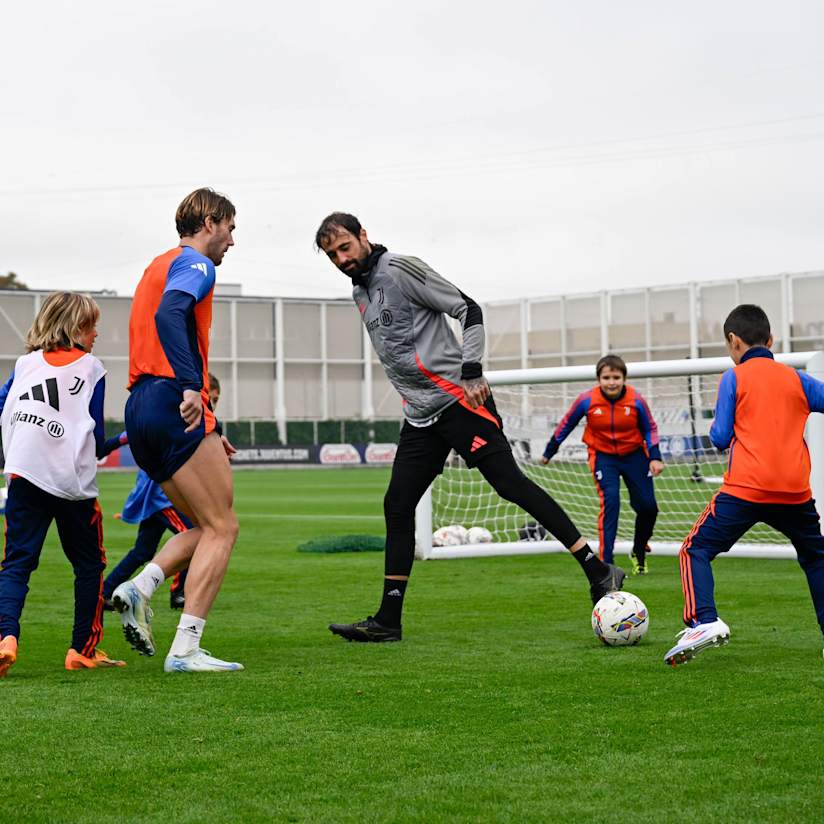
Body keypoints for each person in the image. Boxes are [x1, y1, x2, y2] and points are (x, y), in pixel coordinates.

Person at [316, 212, 625, 643]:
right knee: (398, 505)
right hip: (420, 416)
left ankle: (597, 568)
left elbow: (468, 308)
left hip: (461, 402)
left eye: (344, 247)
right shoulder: (360, 292)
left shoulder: (402, 270)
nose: (341, 258)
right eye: (332, 255)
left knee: (510, 485)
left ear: (363, 236)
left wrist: (472, 368)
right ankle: (388, 620)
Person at [111, 188, 242, 673]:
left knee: (205, 526)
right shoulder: (197, 265)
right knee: (224, 526)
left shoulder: (157, 263)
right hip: (173, 398)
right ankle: (186, 649)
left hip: (142, 405)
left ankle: (139, 586)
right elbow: (171, 314)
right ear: (209, 222)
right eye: (230, 228)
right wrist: (193, 388)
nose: (231, 240)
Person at [664, 304, 824, 666]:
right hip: (795, 493)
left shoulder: (733, 378)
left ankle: (704, 621)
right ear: (771, 340)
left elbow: (720, 437)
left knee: (694, 550)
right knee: (816, 558)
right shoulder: (796, 378)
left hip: (746, 490)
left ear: (734, 342)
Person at [0, 292, 125, 676]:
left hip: (23, 473)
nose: (96, 333)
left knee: (17, 564)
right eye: (90, 325)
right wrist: (130, 436)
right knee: (89, 565)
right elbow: (97, 443)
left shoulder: (24, 365)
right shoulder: (90, 368)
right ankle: (81, 650)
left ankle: (5, 638)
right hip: (70, 483)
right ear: (74, 327)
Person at [102, 374, 222, 611]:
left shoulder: (175, 412)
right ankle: (179, 593)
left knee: (143, 550)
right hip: (162, 496)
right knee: (196, 536)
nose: (214, 404)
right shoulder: (183, 415)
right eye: (213, 398)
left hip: (153, 495)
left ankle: (106, 591)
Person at [541, 354, 664, 574]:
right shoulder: (586, 400)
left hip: (635, 455)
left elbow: (650, 429)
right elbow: (566, 424)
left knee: (648, 507)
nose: (611, 382)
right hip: (603, 457)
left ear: (623, 378)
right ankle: (606, 562)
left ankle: (638, 549)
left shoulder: (636, 400)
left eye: (616, 377)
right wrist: (550, 451)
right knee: (611, 502)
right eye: (606, 377)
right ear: (599, 379)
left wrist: (655, 456)